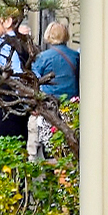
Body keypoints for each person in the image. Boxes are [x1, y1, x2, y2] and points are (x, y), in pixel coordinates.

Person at [28, 20, 79, 159]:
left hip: (48, 107)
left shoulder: (42, 58)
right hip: (71, 107)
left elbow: (32, 80)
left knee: (41, 147)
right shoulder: (76, 56)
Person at [0, 14, 32, 141]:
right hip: (10, 109)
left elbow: (18, 76)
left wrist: (26, 102)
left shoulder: (8, 46)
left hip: (11, 110)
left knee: (13, 151)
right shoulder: (14, 43)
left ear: (8, 21)